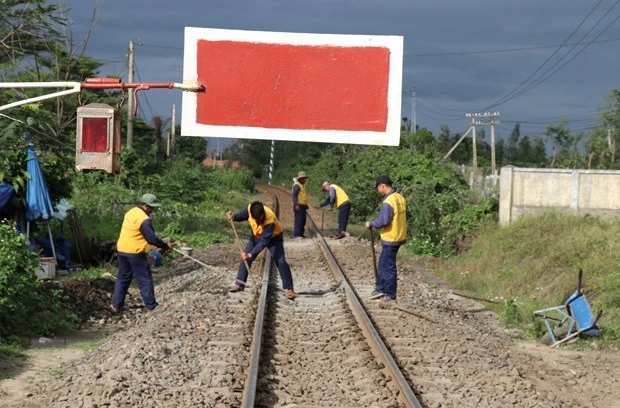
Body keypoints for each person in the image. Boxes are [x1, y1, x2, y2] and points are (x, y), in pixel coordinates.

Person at [111, 193, 172, 312]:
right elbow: (151, 239)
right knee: (144, 279)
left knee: (123, 277)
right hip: (135, 252)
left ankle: (116, 305)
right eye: (151, 207)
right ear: (146, 205)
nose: (152, 210)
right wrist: (165, 246)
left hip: (122, 249)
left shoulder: (131, 212)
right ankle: (151, 306)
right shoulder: (144, 219)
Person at [227, 201, 295, 299]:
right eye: (256, 220)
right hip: (256, 236)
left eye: (260, 219)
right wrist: (234, 217)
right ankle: (240, 284)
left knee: (281, 261)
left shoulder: (269, 220)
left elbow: (264, 241)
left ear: (263, 214)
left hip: (274, 238)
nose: (259, 222)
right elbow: (242, 215)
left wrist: (251, 254)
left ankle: (290, 289)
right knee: (245, 257)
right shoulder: (250, 209)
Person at [365, 176, 407, 303]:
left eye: (378, 188)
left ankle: (390, 294)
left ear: (382, 185)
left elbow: (384, 221)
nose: (379, 191)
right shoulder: (400, 198)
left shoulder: (389, 201)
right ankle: (380, 288)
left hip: (391, 237)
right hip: (399, 236)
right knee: (383, 263)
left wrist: (371, 224)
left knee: (387, 266)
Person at [292, 171, 310, 238]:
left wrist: (306, 204)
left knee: (303, 220)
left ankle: (301, 234)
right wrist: (296, 204)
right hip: (298, 205)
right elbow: (294, 196)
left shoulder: (303, 185)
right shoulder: (297, 185)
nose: (303, 179)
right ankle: (297, 234)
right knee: (298, 220)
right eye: (302, 178)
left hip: (303, 206)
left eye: (304, 178)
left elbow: (303, 196)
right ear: (299, 179)